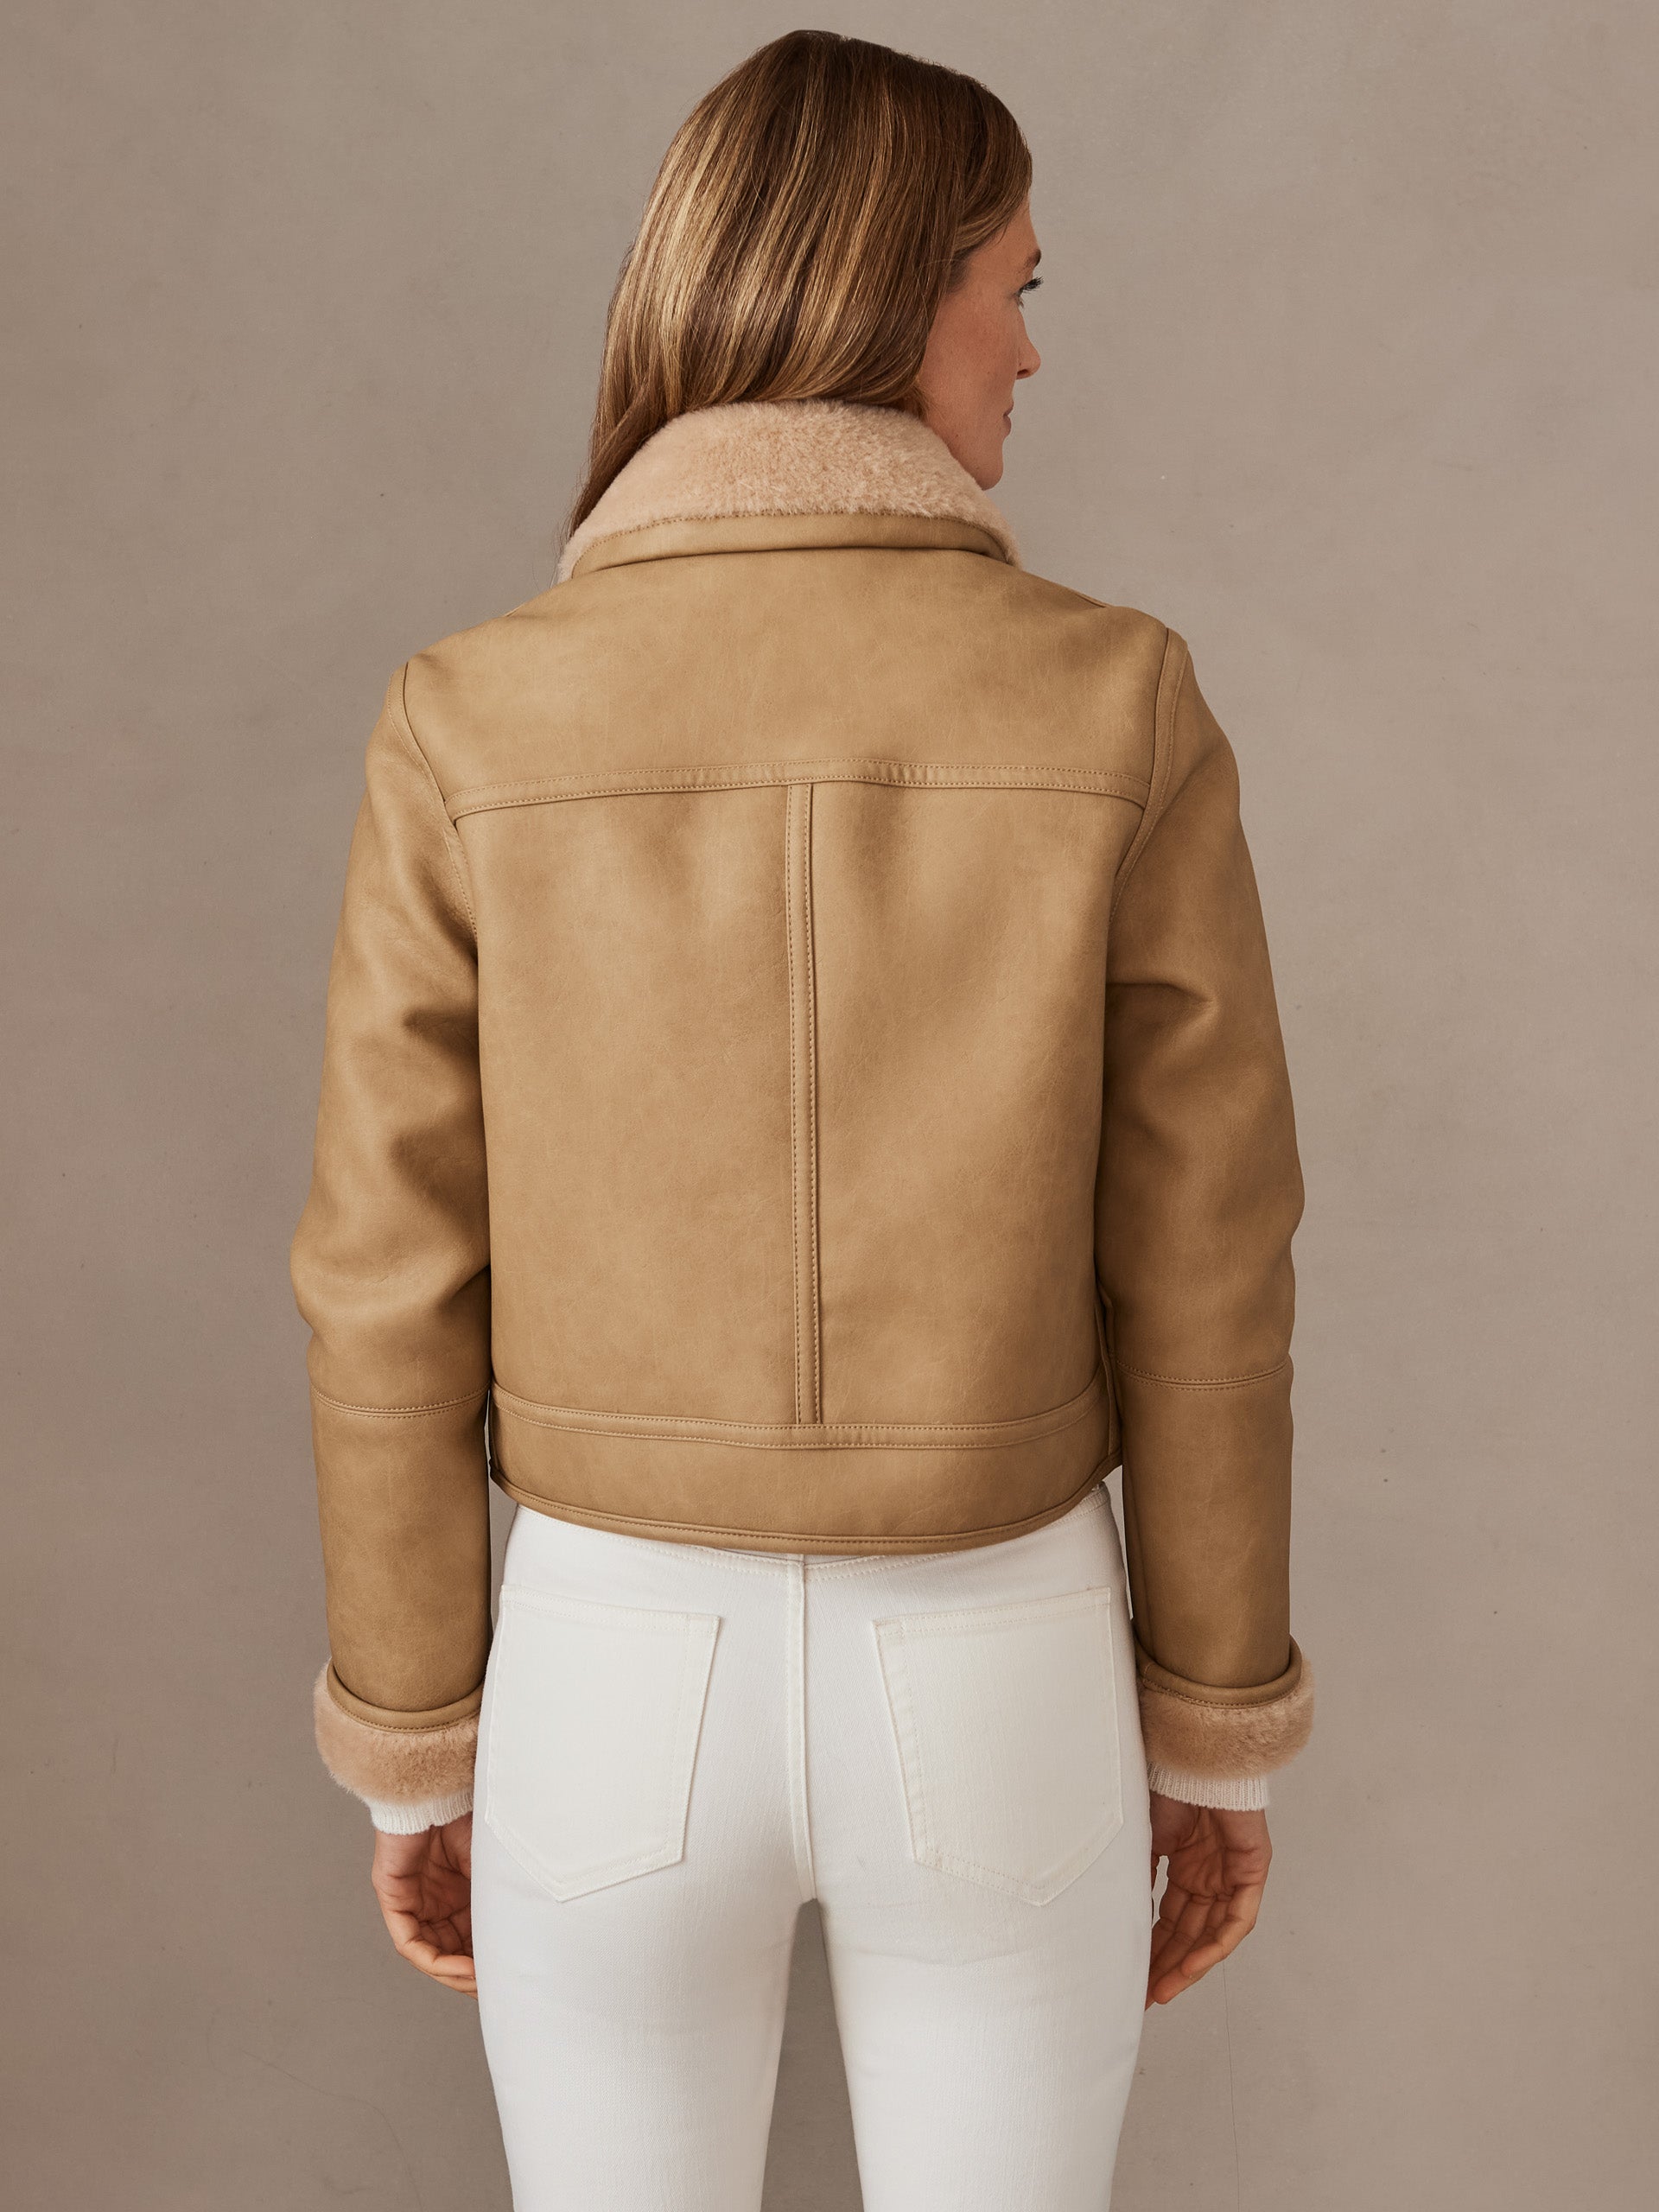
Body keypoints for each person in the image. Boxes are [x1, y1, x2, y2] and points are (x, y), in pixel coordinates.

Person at [289, 29, 1313, 2209]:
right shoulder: (1115, 696)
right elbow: (1208, 1262)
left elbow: (387, 1277)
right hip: (1001, 1651)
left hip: (609, 1668)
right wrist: (1215, 1716)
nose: (1031, 350)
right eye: (1014, 287)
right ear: (893, 291)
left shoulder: (470, 717)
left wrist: (415, 1743)